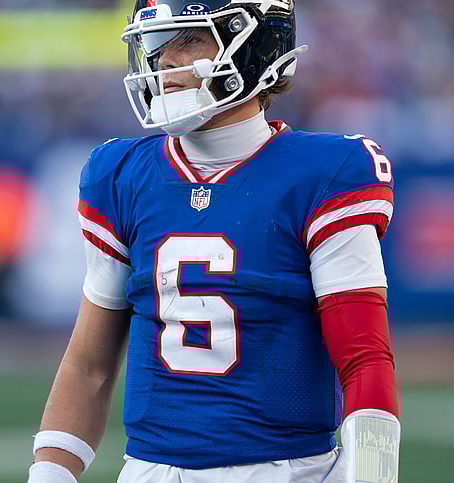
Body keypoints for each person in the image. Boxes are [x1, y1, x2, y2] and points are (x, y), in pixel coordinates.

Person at [29, 1, 400, 482]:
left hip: (285, 472)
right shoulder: (120, 175)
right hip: (150, 473)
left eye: (189, 40)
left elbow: (363, 358)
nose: (165, 62)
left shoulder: (324, 173)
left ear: (255, 45)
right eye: (160, 45)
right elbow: (88, 366)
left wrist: (372, 476)